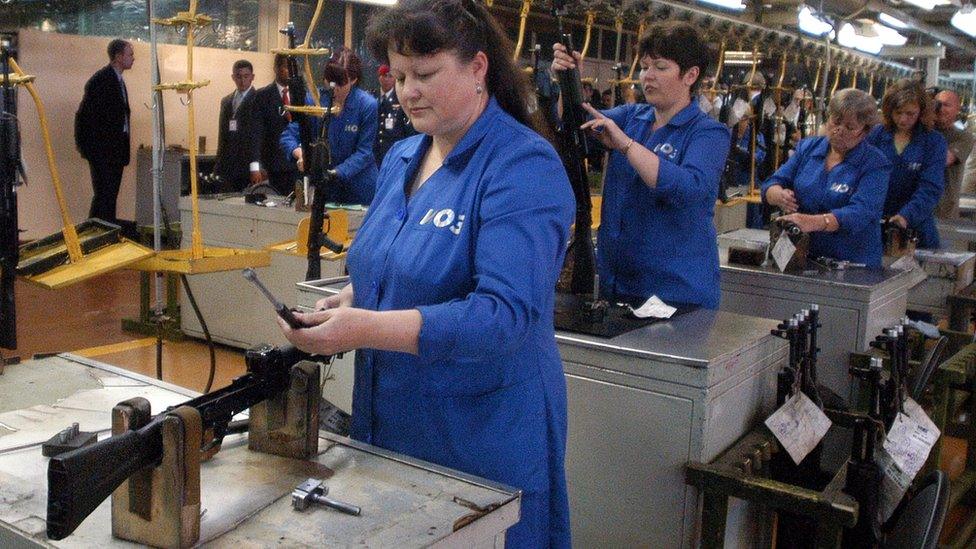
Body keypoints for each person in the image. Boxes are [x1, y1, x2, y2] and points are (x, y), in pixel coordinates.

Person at [278, 0, 575, 546]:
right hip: (390, 423)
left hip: (478, 439)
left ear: (479, 68)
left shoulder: (522, 167)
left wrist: (365, 328)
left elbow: (502, 316)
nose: (407, 91)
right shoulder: (402, 158)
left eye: (427, 74)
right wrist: (352, 298)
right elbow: (393, 261)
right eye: (399, 75)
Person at [552, 21, 730, 308]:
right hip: (619, 289)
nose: (647, 76)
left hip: (677, 295)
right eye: (645, 67)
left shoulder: (708, 133)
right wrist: (569, 81)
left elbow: (688, 190)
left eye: (660, 67)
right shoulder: (633, 117)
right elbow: (575, 124)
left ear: (691, 75)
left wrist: (626, 145)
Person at [763, 88, 891, 268]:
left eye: (850, 127)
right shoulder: (807, 148)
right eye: (835, 121)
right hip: (803, 259)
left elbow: (861, 212)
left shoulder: (875, 164)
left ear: (864, 131)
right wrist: (778, 195)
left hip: (853, 265)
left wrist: (814, 222)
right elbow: (771, 184)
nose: (839, 130)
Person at [280, 47, 378, 205]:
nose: (335, 89)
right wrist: (301, 154)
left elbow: (364, 152)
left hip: (359, 188)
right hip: (326, 191)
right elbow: (289, 136)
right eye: (329, 82)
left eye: (341, 83)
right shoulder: (314, 101)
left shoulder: (367, 105)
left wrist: (334, 173)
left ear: (353, 80)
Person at [866, 79, 947, 249]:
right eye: (898, 112)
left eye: (910, 114)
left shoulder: (933, 142)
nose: (903, 119)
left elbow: (931, 188)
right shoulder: (876, 136)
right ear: (889, 111)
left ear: (921, 112)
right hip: (875, 225)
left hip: (917, 229)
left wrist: (906, 216)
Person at [75, 38, 133, 225]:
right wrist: (90, 150)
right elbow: (86, 118)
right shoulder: (101, 80)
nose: (133, 58)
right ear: (118, 56)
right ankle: (98, 233)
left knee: (108, 196)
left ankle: (102, 231)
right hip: (103, 152)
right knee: (104, 195)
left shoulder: (118, 80)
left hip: (115, 151)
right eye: (130, 54)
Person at [249, 54, 299, 196]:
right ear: (276, 68)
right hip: (274, 165)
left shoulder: (300, 94)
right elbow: (256, 134)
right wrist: (255, 167)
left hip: (297, 164)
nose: (289, 71)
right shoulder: (262, 96)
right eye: (285, 67)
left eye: (292, 67)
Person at [212, 59, 256, 193]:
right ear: (233, 77)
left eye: (246, 76)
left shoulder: (258, 99)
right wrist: (218, 163)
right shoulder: (226, 101)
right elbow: (222, 135)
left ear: (252, 77)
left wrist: (257, 167)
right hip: (228, 164)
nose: (242, 81)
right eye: (238, 76)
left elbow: (260, 137)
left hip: (247, 163)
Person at [934, 89, 973, 219]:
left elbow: (943, 160)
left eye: (947, 105)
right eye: (938, 104)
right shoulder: (922, 132)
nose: (941, 109)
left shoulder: (963, 137)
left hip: (945, 212)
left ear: (957, 109)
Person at [374, 63, 415, 166]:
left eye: (390, 76)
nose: (386, 79)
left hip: (394, 151)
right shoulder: (372, 96)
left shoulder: (399, 99)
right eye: (384, 75)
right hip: (374, 153)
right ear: (379, 77)